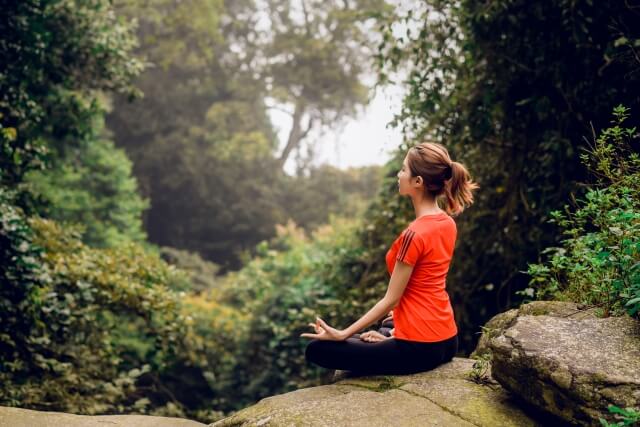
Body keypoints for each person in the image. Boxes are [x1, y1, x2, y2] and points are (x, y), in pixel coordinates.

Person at [301, 142, 478, 375]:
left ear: (418, 182)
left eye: (404, 170)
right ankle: (390, 334)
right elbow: (422, 285)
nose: (399, 174)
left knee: (317, 349)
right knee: (388, 322)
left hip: (418, 349)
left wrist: (342, 333)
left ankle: (388, 338)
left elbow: (390, 300)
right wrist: (394, 332)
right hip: (446, 339)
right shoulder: (447, 223)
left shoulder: (413, 235)